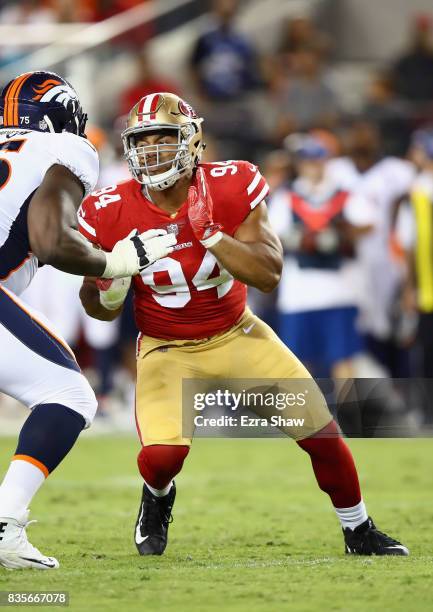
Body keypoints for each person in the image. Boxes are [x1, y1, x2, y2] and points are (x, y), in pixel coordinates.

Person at [79, 92, 408, 558]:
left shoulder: (232, 184)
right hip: (167, 348)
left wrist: (210, 232)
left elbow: (269, 274)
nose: (151, 150)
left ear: (191, 141)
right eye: (142, 140)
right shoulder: (108, 208)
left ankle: (359, 530)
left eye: (163, 138)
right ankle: (156, 498)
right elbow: (99, 310)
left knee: (323, 437)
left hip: (238, 334)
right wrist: (111, 284)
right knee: (162, 458)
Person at [0, 71, 176, 570]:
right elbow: (51, 238)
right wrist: (114, 262)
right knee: (68, 395)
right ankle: (4, 524)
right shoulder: (67, 150)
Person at [268, 134, 374, 380]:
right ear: (299, 164)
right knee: (299, 364)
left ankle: (347, 417)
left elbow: (368, 224)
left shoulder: (345, 195)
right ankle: (310, 418)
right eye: (307, 161)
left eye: (317, 160)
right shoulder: (287, 197)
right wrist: (302, 238)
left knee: (344, 361)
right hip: (299, 293)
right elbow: (273, 236)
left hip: (339, 290)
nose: (313, 166)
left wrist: (340, 232)